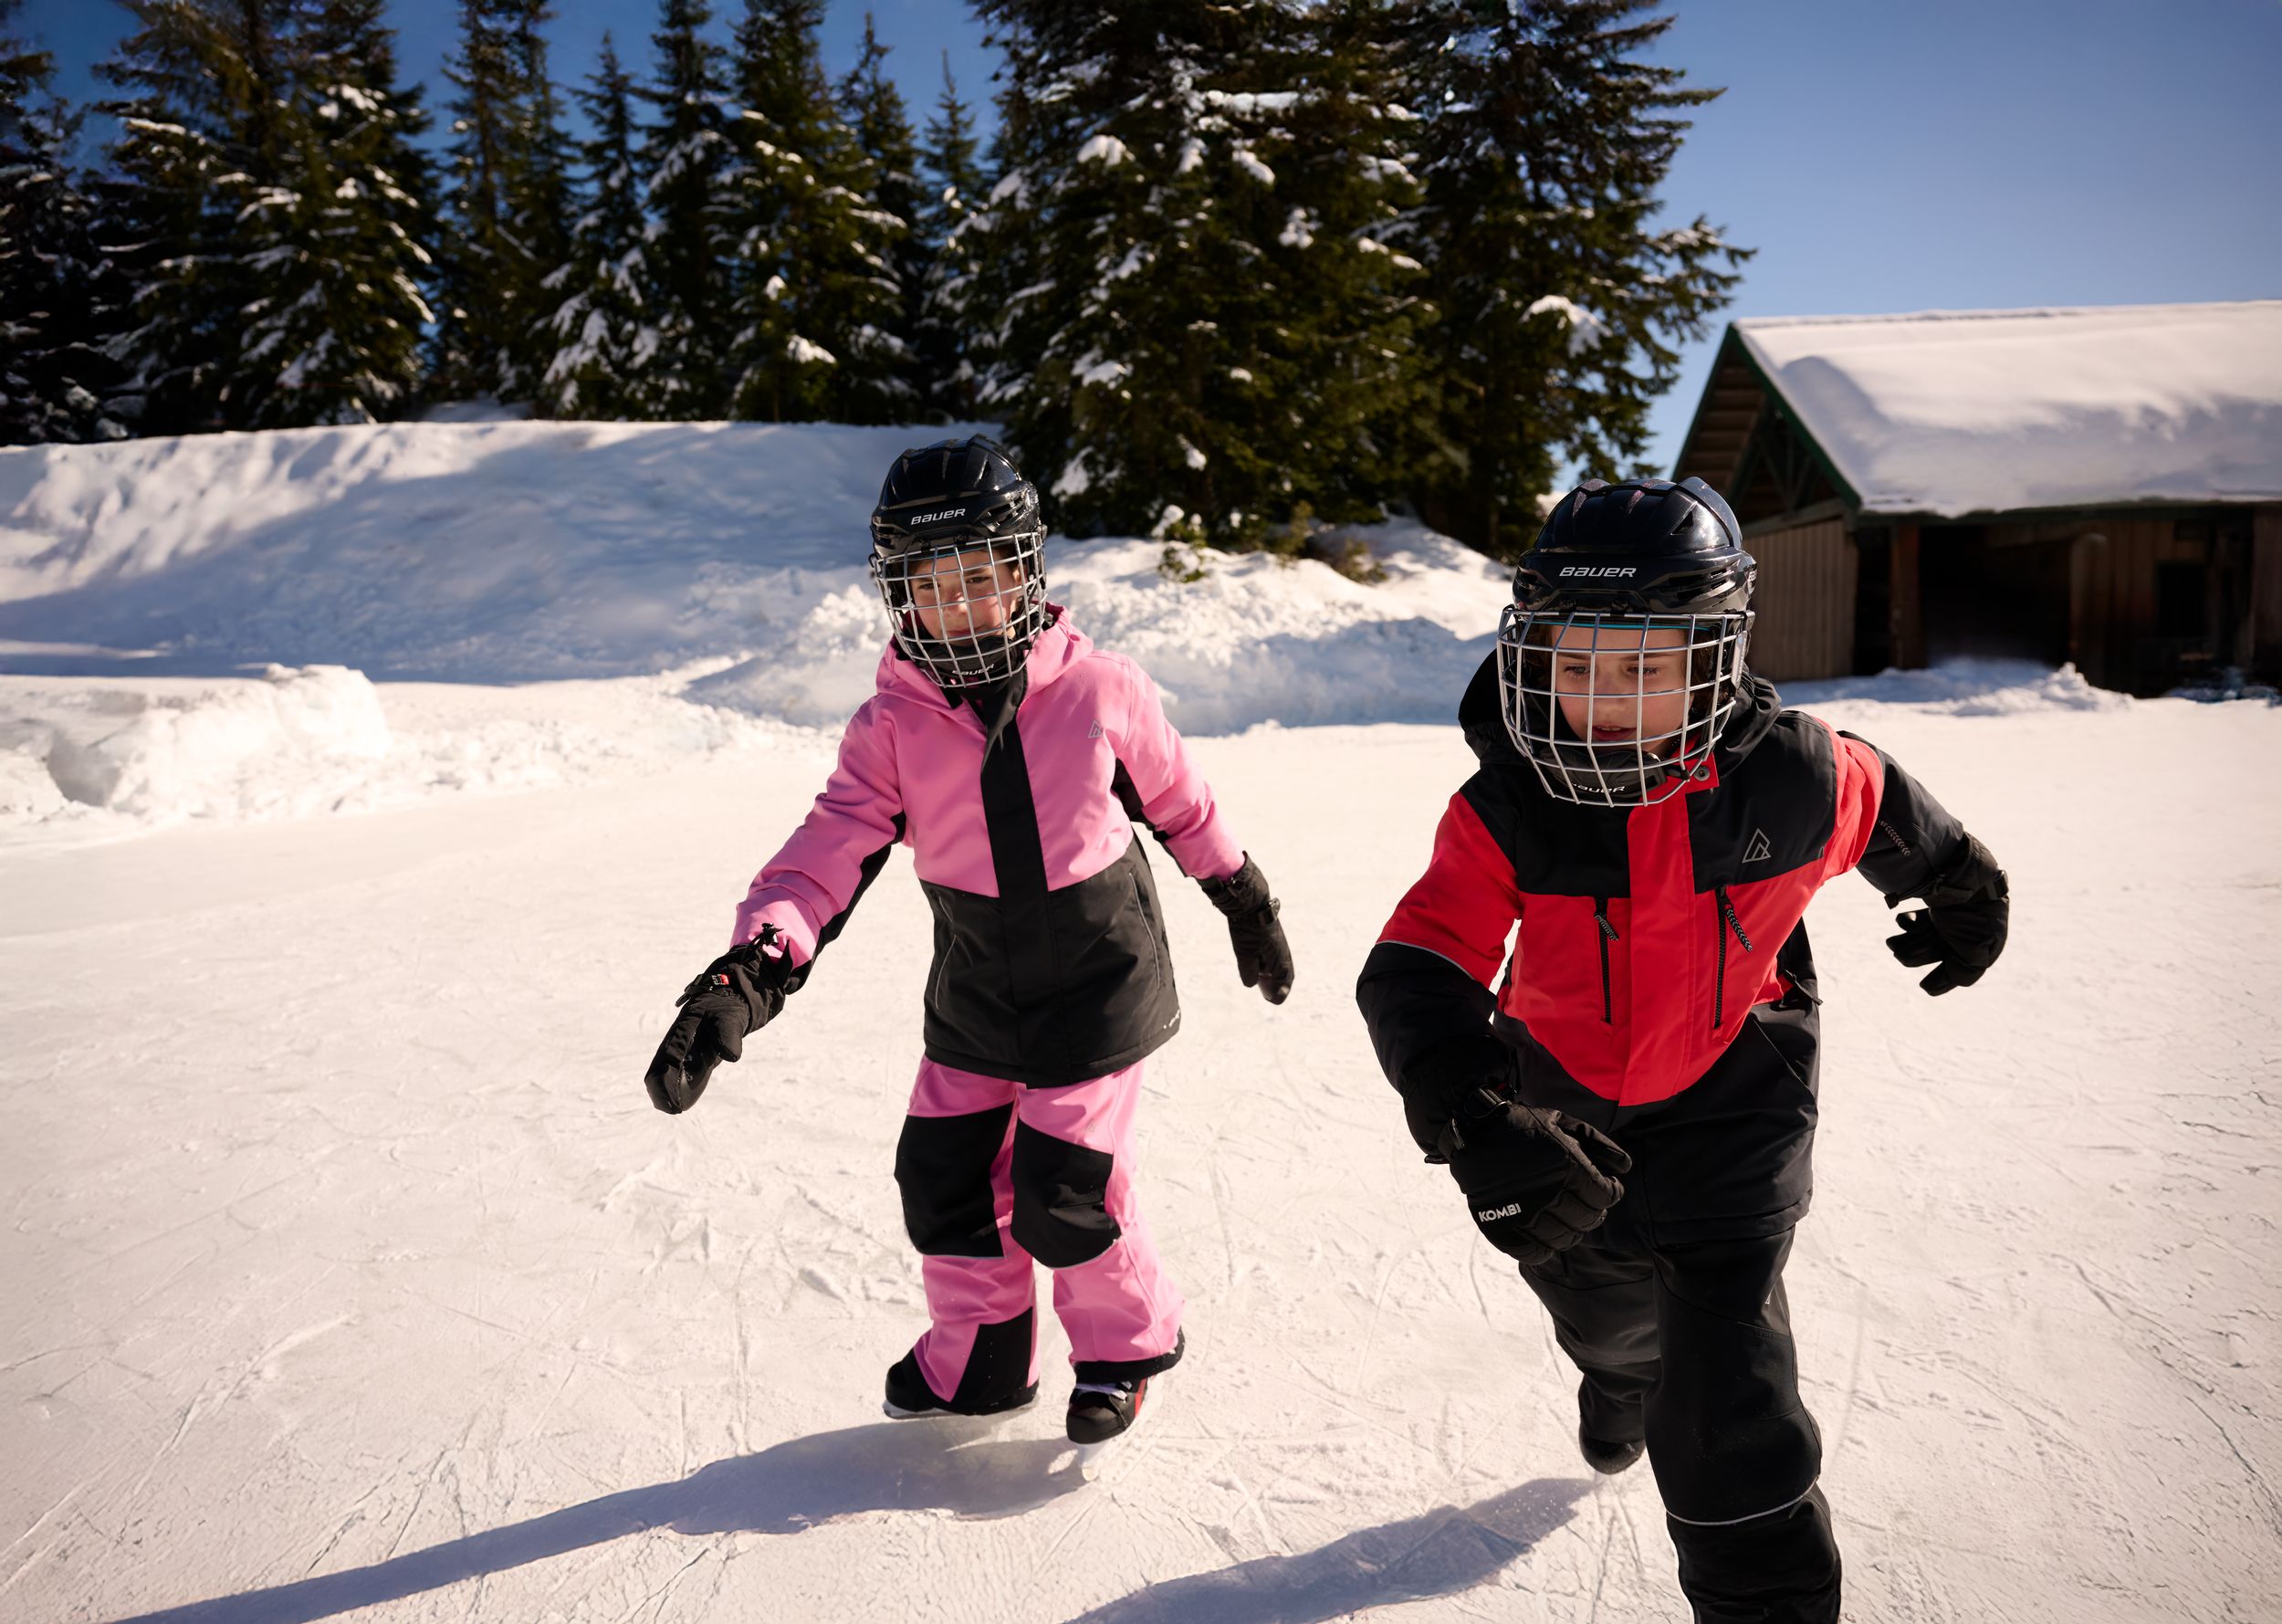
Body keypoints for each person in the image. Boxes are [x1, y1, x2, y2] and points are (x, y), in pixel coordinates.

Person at [1354, 477, 2009, 1623]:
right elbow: (1418, 961)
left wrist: (1960, 880)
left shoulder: (1793, 777)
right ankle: (1616, 1377)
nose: (1603, 698)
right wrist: (1469, 1113)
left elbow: (1881, 798)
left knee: (1726, 1391)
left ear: (1714, 659)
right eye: (1575, 661)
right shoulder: (1508, 806)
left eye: (1645, 665)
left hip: (1736, 1097)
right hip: (1560, 1113)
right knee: (1610, 1321)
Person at [644, 435, 1294, 1447]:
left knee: (1060, 1188)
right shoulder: (892, 726)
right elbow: (827, 852)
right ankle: (983, 1357)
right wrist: (747, 971)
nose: (958, 607)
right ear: (897, 596)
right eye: (929, 585)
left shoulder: (1099, 689)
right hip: (978, 988)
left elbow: (1178, 799)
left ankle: (1123, 1348)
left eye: (980, 580)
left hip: (1097, 977)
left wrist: (1241, 896)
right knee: (942, 1176)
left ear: (1025, 574)